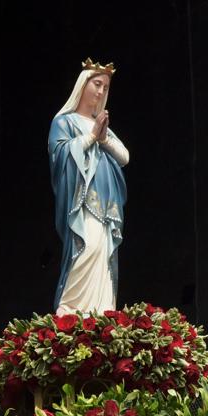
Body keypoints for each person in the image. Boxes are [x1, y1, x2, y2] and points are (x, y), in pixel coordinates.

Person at [49, 58, 130, 316]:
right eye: (97, 84)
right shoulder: (65, 122)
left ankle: (101, 309)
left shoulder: (102, 125)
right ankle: (70, 306)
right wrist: (92, 136)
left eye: (105, 87)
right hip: (82, 199)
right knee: (88, 245)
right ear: (82, 85)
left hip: (106, 201)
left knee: (104, 251)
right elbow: (60, 154)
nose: (100, 91)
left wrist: (103, 138)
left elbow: (125, 157)